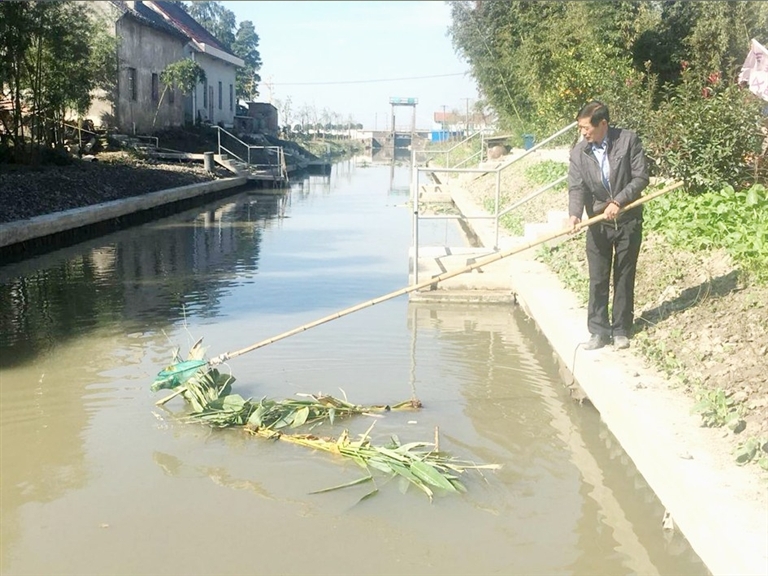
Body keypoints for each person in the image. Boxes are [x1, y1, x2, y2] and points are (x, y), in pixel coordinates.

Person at [568, 101, 649, 350]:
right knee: (598, 277)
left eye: (586, 127)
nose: (583, 132)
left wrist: (619, 201)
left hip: (627, 219)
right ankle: (598, 331)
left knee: (624, 275)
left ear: (602, 124)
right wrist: (574, 215)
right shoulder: (579, 152)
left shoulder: (627, 140)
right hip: (598, 223)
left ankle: (622, 328)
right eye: (580, 128)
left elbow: (640, 177)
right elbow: (577, 187)